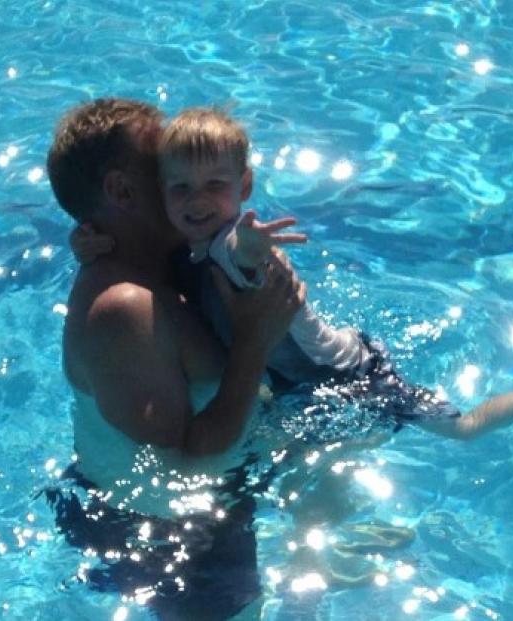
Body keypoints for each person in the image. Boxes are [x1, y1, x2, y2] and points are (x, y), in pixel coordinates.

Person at [72, 106, 513, 445]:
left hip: (346, 374)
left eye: (215, 186)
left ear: (244, 188)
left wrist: (252, 242)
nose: (197, 203)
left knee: (464, 430)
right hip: (298, 379)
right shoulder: (189, 245)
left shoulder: (227, 243)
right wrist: (95, 240)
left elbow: (237, 249)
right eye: (179, 188)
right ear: (158, 191)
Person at [45, 98, 305, 620]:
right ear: (122, 190)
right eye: (164, 166)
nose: (182, 172)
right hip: (170, 540)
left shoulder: (160, 266)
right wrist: (255, 341)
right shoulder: (125, 308)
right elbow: (185, 460)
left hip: (189, 513)